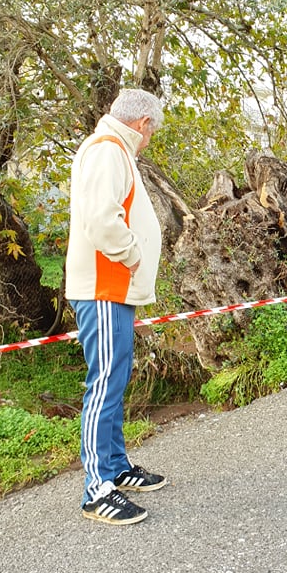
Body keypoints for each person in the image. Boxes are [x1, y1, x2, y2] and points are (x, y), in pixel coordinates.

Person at [66, 88, 167, 524]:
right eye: (152, 131)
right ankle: (96, 489)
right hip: (104, 286)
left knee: (115, 378)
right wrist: (132, 253)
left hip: (115, 289)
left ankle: (115, 467)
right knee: (105, 382)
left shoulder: (114, 150)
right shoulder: (107, 150)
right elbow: (102, 218)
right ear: (143, 123)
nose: (149, 140)